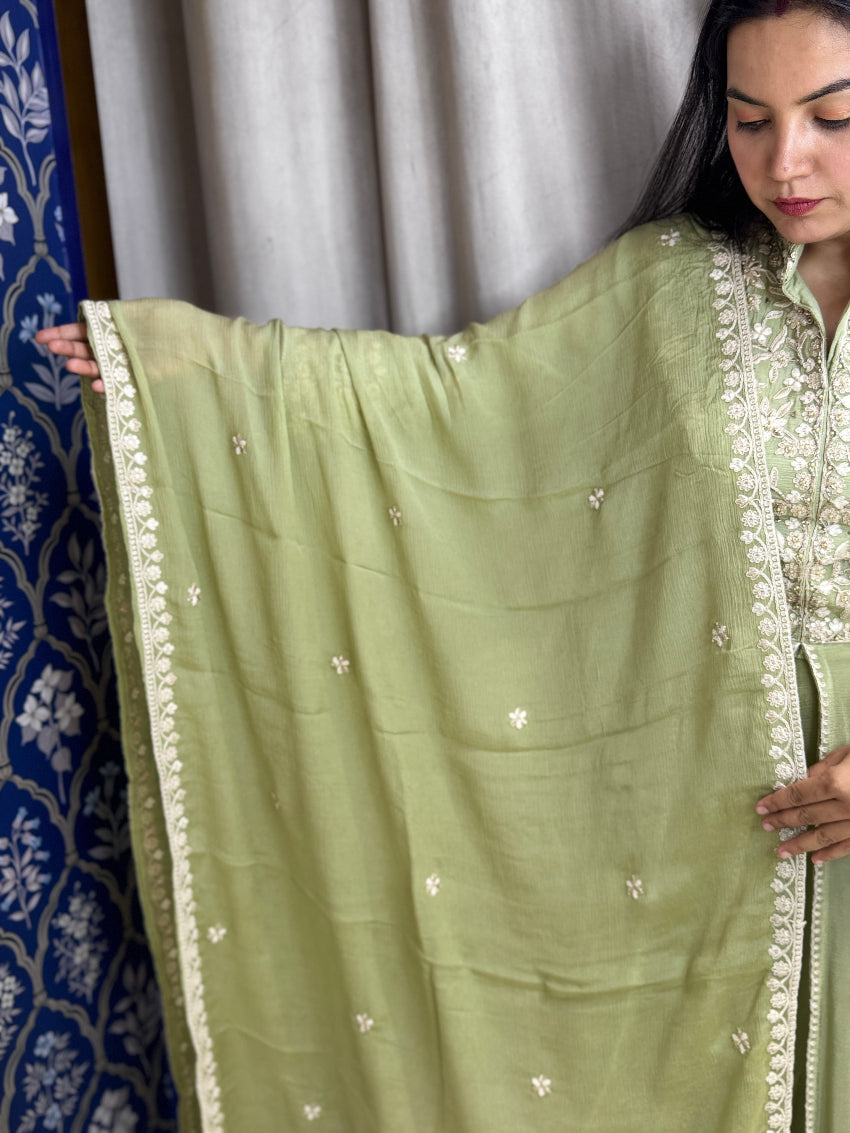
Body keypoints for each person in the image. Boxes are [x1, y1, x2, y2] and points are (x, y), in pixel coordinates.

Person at [35, 2, 850, 1130]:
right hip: (702, 832)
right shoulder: (674, 291)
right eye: (750, 121)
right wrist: (178, 370)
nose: (784, 163)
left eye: (832, 117)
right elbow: (449, 402)